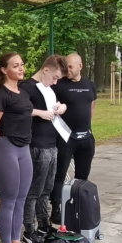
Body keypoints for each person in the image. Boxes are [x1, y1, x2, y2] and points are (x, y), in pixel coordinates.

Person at [0, 52, 39, 243]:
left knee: (21, 198)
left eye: (22, 64)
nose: (21, 68)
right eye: (15, 66)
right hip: (7, 148)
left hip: (24, 149)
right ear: (4, 70)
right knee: (9, 199)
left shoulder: (22, 93)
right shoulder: (1, 95)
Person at [19, 55, 68, 243]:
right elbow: (19, 109)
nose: (55, 82)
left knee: (47, 189)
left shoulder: (49, 89)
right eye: (55, 77)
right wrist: (38, 112)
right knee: (34, 190)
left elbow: (58, 103)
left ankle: (43, 224)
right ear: (46, 70)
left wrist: (61, 107)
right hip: (36, 144)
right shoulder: (27, 87)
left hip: (52, 143)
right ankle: (29, 229)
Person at [50, 53, 98, 224]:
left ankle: (78, 206)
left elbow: (92, 107)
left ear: (80, 66)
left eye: (70, 67)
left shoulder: (90, 85)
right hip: (66, 138)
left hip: (86, 137)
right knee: (59, 174)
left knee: (82, 176)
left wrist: (87, 127)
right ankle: (56, 209)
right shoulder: (59, 85)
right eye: (65, 66)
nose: (67, 70)